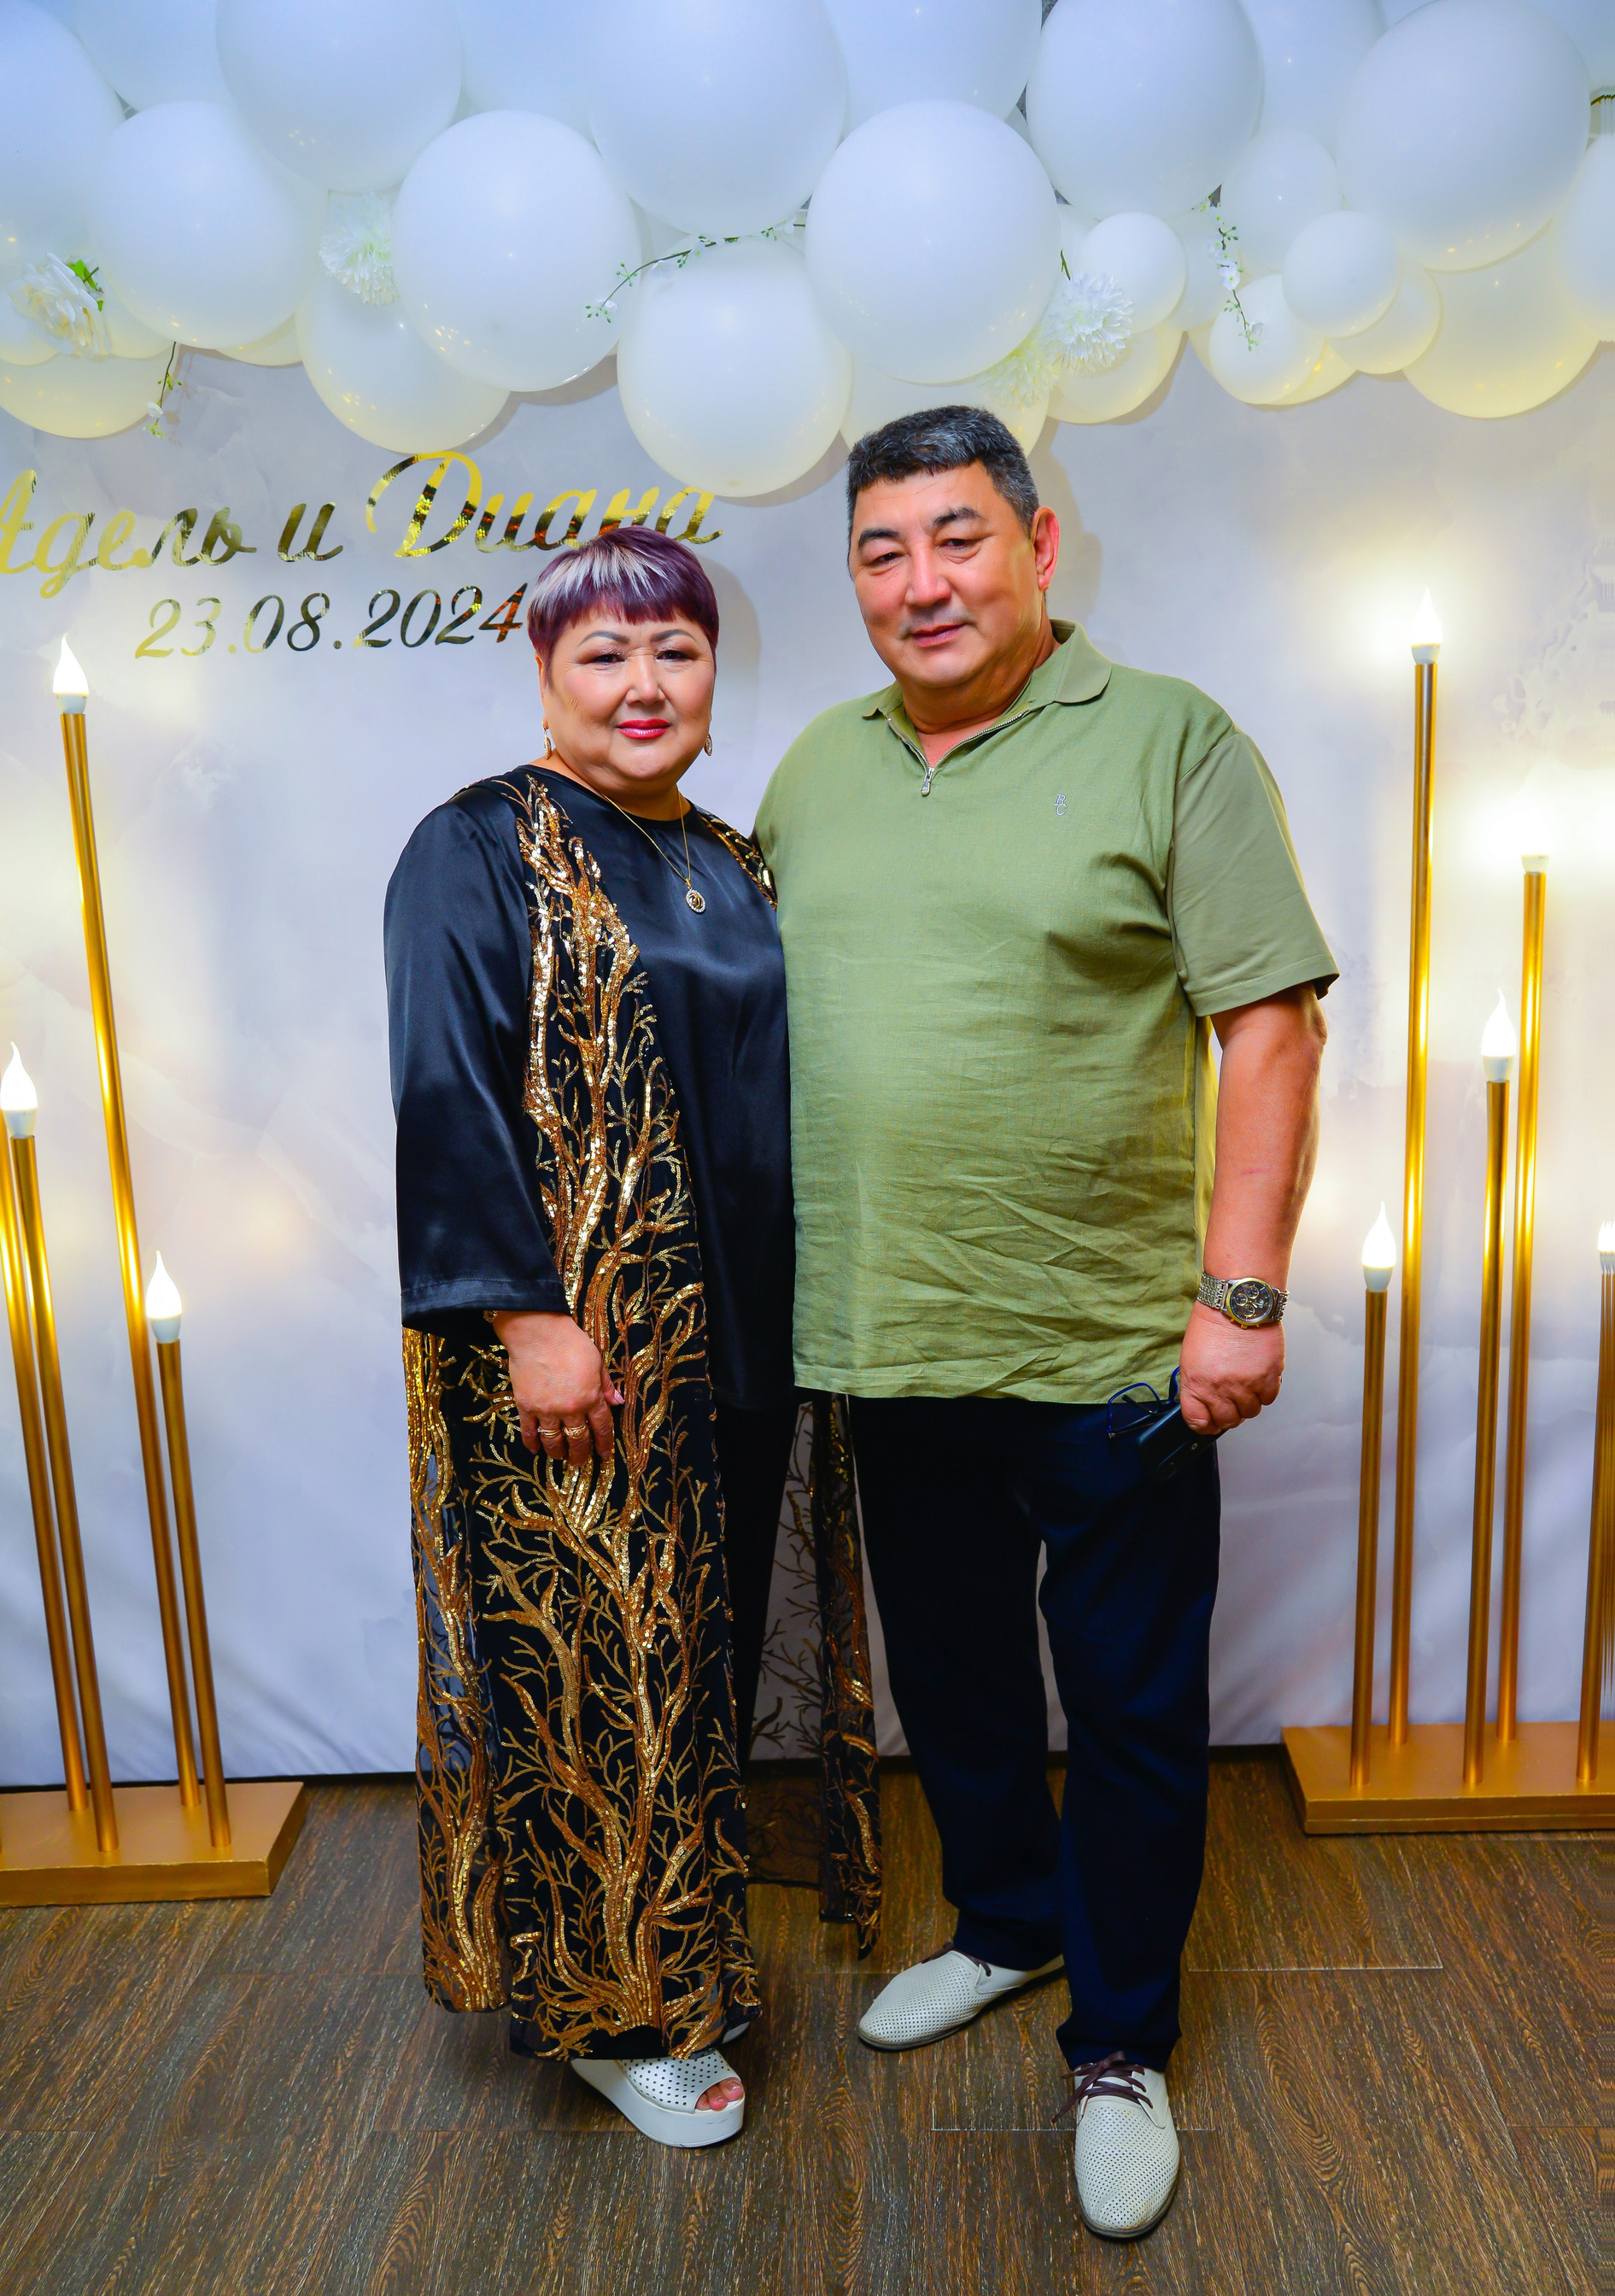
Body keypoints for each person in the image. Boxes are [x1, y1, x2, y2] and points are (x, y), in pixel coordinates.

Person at [756, 407, 1334, 2240]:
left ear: (1038, 546)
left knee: (1137, 1713)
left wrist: (1240, 1298)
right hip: (885, 1336)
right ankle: (1007, 1925)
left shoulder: (1170, 738)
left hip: (1113, 1354)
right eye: (882, 550)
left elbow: (1272, 1029)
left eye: (958, 537)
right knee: (957, 1682)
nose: (921, 582)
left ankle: (1122, 2044)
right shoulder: (816, 768)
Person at [385, 524, 877, 2152]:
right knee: (596, 1677)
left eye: (677, 648)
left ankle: (684, 1955)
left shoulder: (732, 856)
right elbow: (445, 1090)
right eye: (604, 653)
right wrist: (530, 1318)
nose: (644, 682)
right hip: (577, 1352)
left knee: (698, 1662)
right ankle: (619, 2016)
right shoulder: (478, 845)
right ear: (545, 678)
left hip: (739, 1335)